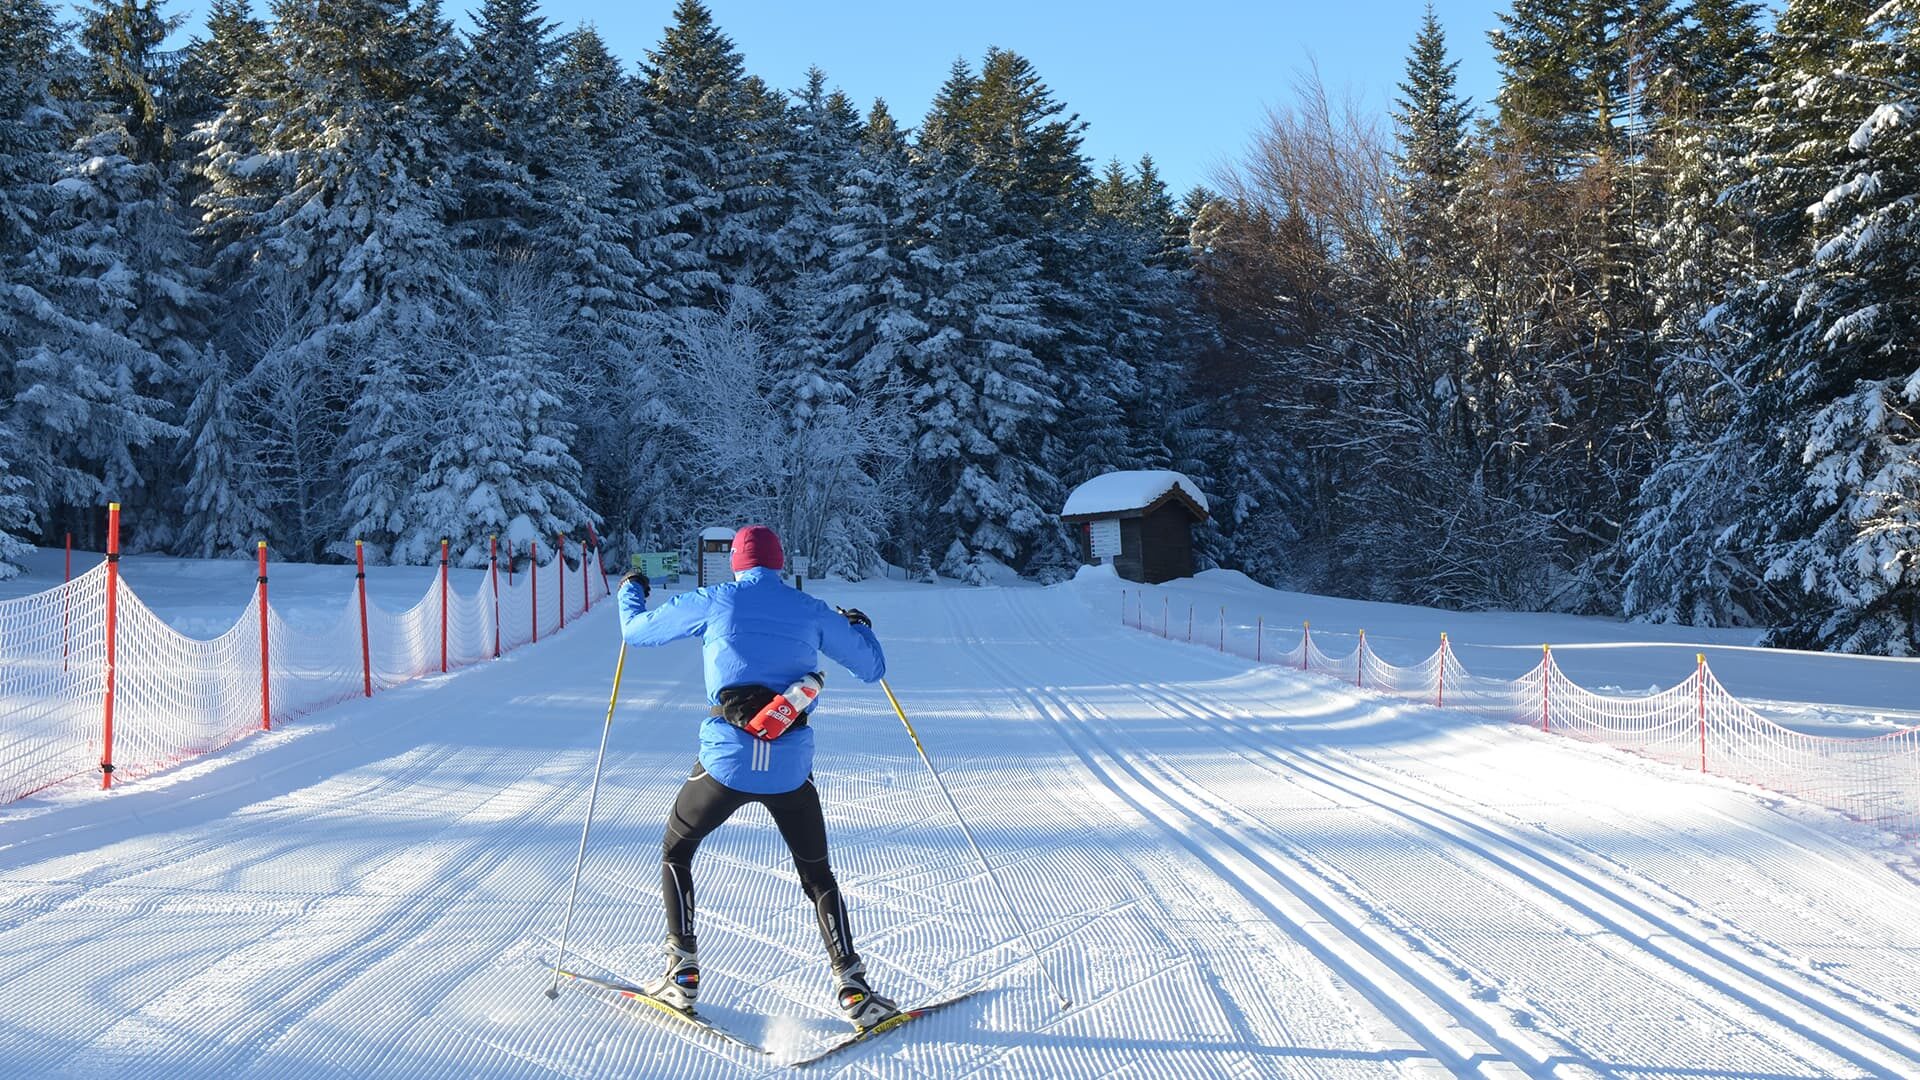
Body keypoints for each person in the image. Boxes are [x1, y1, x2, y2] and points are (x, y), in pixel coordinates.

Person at [615, 524, 895, 1028]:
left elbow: (635, 633)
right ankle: (853, 986)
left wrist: (630, 590)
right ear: (780, 562)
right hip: (789, 769)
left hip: (726, 763)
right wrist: (858, 626)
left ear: (738, 564)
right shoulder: (809, 609)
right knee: (817, 874)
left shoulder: (716, 599)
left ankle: (681, 973)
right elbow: (872, 668)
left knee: (677, 850)